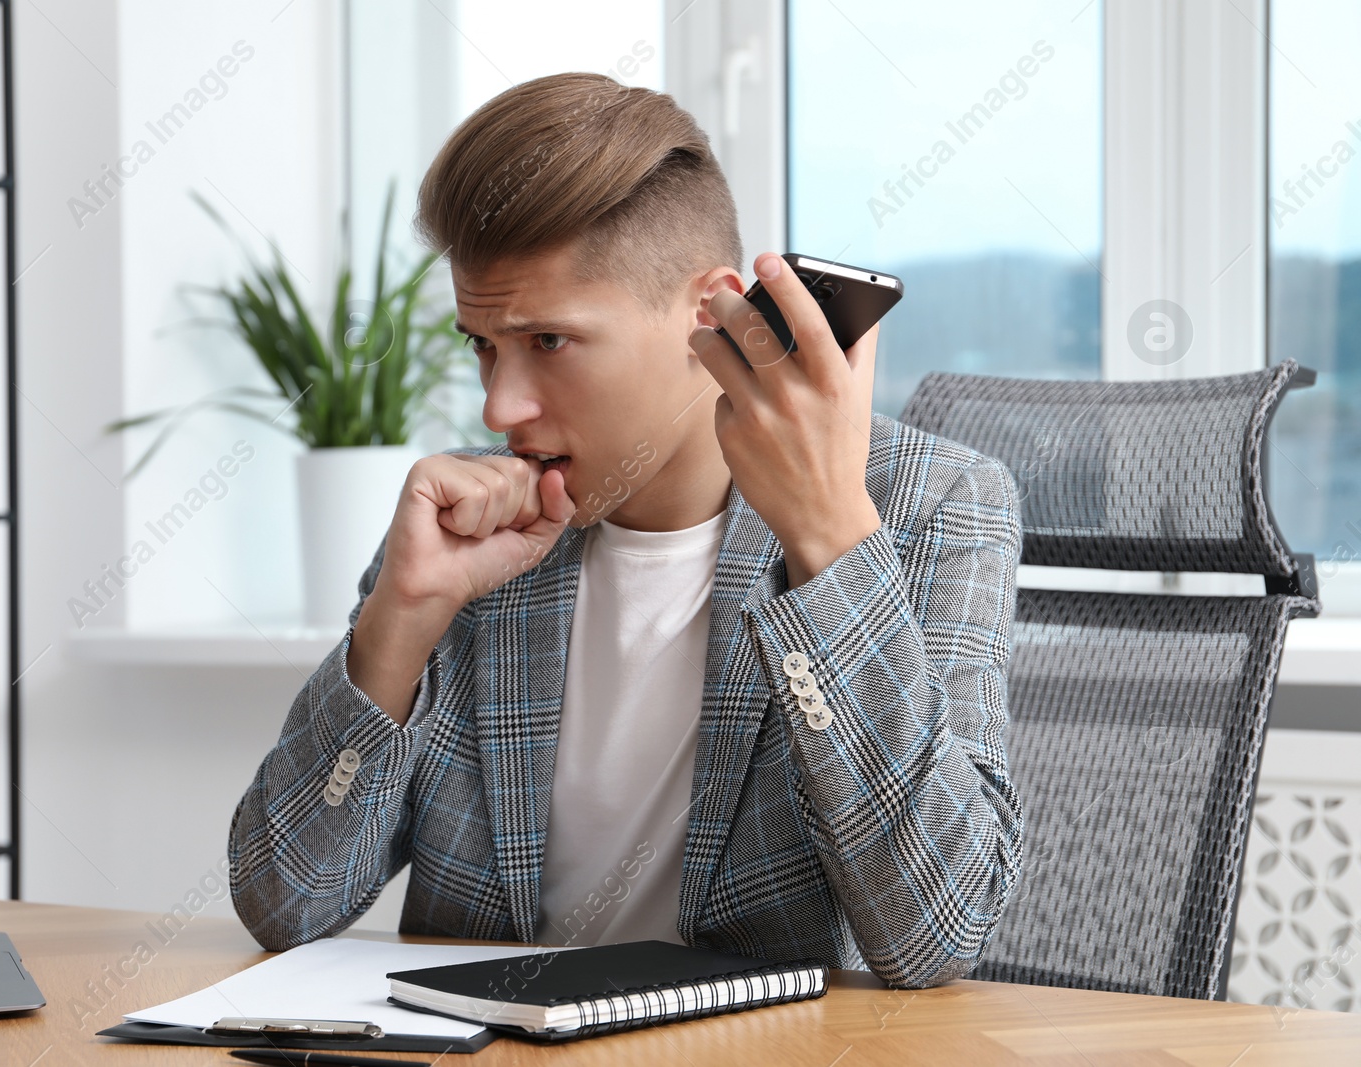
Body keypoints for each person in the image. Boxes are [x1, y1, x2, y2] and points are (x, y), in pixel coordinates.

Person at [229, 71, 1023, 990]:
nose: (500, 405)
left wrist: (829, 539)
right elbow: (284, 902)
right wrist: (399, 620)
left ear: (709, 314)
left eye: (549, 342)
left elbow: (939, 932)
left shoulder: (933, 506)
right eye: (482, 345)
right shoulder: (466, 530)